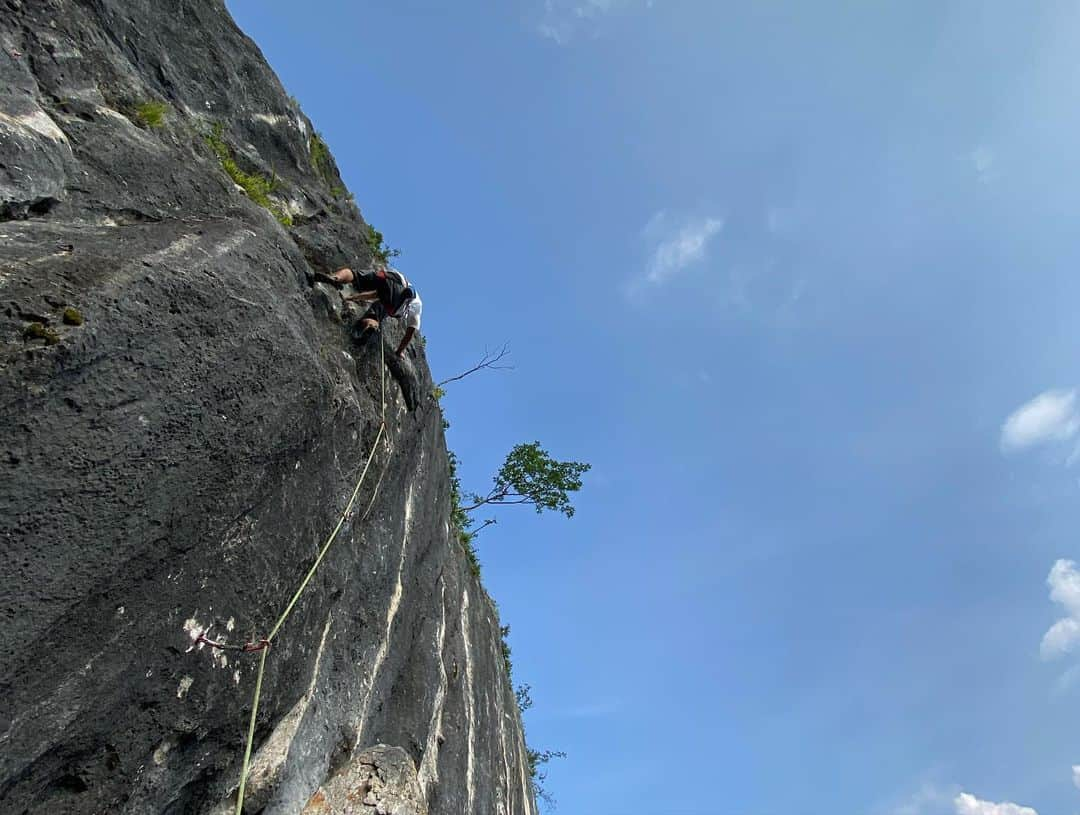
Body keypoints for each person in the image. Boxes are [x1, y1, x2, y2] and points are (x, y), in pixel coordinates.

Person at [315, 265, 422, 359]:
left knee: (355, 275)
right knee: (377, 313)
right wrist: (399, 351)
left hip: (391, 278)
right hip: (395, 304)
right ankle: (371, 325)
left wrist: (353, 298)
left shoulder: (403, 283)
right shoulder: (417, 305)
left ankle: (335, 277)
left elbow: (375, 294)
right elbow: (410, 333)